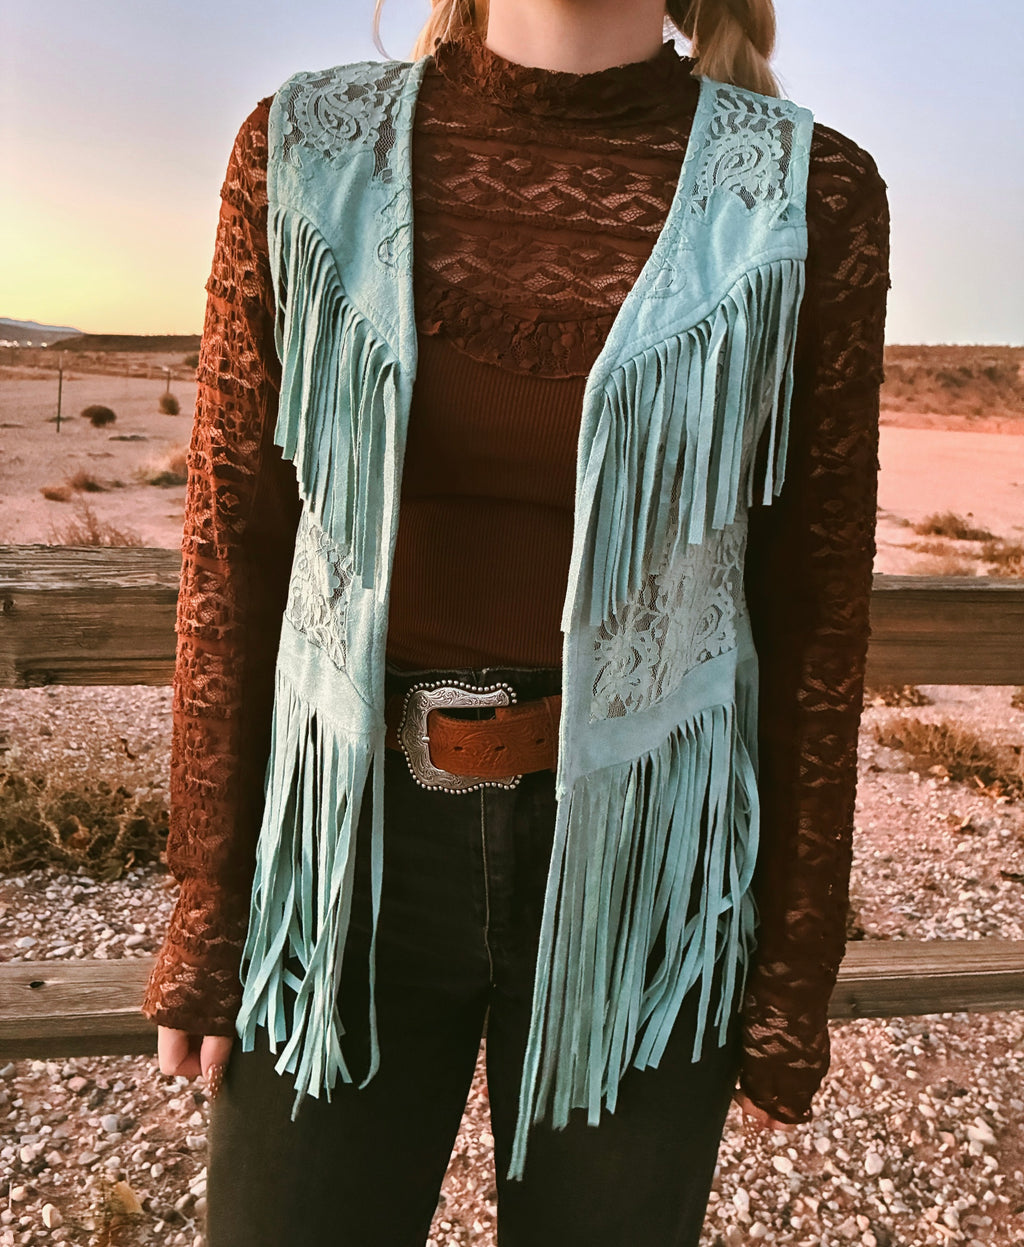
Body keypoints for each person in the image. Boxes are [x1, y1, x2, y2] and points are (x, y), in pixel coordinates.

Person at [142, 0, 890, 1242]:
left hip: (650, 874)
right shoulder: (302, 147)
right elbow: (233, 544)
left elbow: (816, 604)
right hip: (342, 859)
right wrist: (209, 906)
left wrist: (792, 966)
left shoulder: (809, 192)